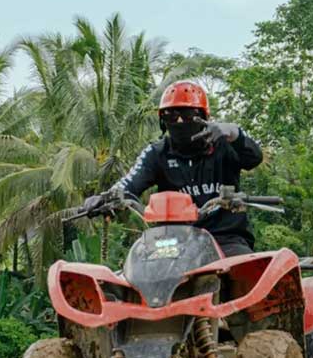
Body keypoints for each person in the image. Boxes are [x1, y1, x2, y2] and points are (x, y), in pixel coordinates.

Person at [83, 80, 263, 257]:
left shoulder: (225, 144)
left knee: (247, 272)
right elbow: (130, 182)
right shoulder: (157, 153)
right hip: (173, 241)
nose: (179, 121)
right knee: (142, 273)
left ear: (203, 117)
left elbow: (254, 157)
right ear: (163, 121)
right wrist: (106, 198)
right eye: (170, 115)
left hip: (226, 239)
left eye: (187, 115)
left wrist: (233, 132)